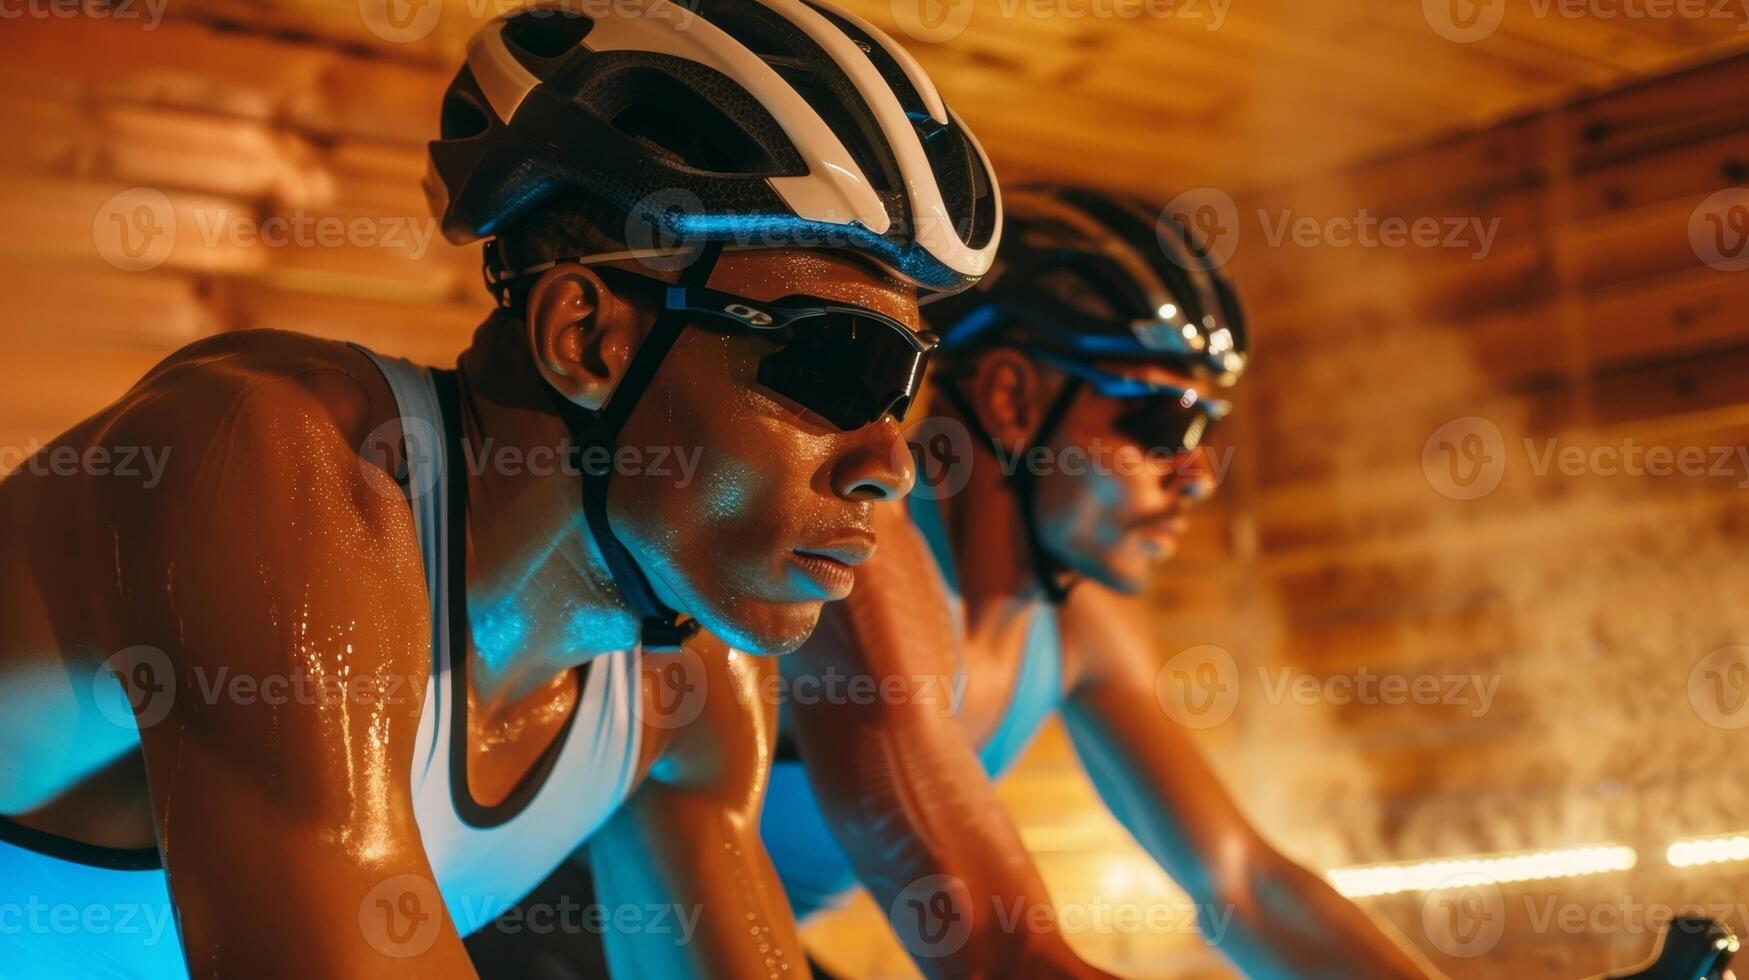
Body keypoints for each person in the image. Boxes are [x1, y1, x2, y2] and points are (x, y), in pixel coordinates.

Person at [0, 2, 1000, 976]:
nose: (894, 459)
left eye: (905, 383)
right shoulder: (276, 466)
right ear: (586, 337)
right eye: (836, 364)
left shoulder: (686, 680)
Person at [761, 185, 1443, 978]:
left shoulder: (1081, 619)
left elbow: (1244, 886)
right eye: (1164, 423)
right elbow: (995, 953)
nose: (1197, 476)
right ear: (1011, 398)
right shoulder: (864, 564)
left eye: (1208, 430)